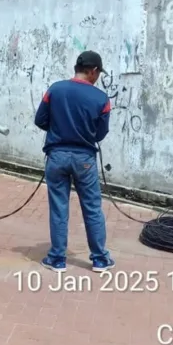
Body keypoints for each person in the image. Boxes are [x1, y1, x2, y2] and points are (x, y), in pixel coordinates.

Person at [34, 50, 115, 273]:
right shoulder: (101, 99)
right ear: (94, 71)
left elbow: (40, 119)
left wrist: (59, 127)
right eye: (98, 73)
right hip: (84, 159)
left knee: (59, 208)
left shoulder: (55, 89)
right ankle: (99, 259)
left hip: (57, 156)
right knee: (92, 208)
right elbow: (100, 134)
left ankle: (57, 259)